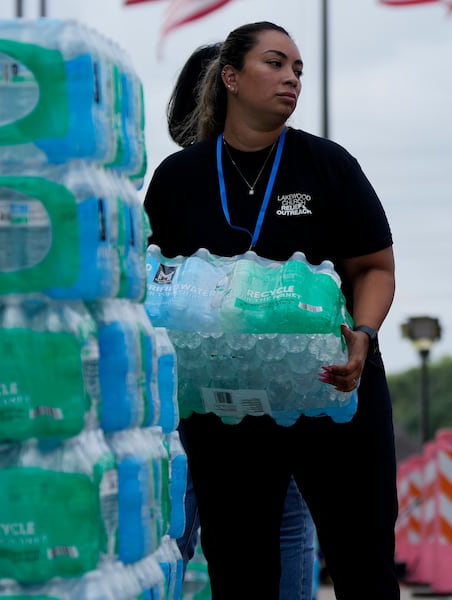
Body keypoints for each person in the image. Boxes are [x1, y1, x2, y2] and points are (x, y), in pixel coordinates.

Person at [144, 21, 399, 599]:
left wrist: (363, 332)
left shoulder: (328, 166)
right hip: (228, 404)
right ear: (231, 77)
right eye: (276, 64)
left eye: (298, 70)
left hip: (332, 386)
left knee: (363, 556)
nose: (291, 79)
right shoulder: (179, 179)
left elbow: (374, 268)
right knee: (239, 565)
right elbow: (156, 284)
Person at [168, 41, 321, 600]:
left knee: (174, 531)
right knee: (276, 525)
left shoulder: (175, 185)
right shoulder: (184, 183)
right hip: (266, 398)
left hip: (196, 400)